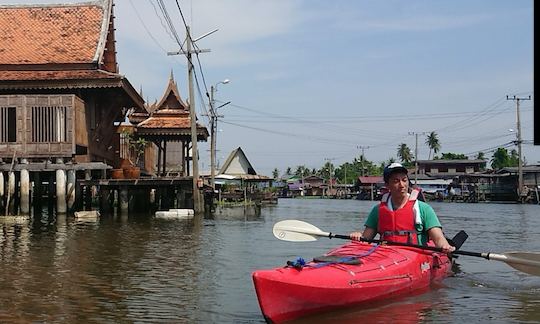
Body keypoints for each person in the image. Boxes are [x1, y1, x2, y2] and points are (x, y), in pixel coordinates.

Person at [350, 162, 455, 254]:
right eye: (396, 181)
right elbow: (366, 239)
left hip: (414, 256)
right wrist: (358, 236)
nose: (402, 185)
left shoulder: (423, 209)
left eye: (404, 180)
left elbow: (438, 238)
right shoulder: (377, 210)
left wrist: (444, 246)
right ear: (387, 185)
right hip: (386, 255)